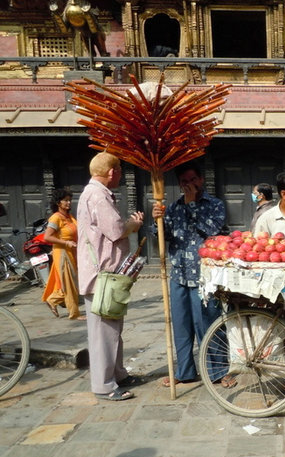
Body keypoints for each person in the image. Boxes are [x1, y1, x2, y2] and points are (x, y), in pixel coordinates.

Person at [77, 152, 144, 401]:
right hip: (101, 276)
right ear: (112, 172)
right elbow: (116, 230)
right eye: (119, 172)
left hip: (106, 274)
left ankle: (118, 374)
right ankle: (104, 385)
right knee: (103, 333)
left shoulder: (95, 193)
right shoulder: (97, 195)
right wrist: (133, 224)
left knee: (112, 328)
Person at [152, 161, 226, 387]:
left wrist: (192, 205)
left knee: (209, 325)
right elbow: (162, 237)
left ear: (201, 180)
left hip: (205, 277)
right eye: (184, 182)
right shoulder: (173, 208)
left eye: (193, 180)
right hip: (179, 276)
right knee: (182, 328)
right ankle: (184, 372)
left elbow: (211, 231)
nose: (189, 185)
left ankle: (219, 373)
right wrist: (157, 220)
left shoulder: (215, 205)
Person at [42, 187, 84, 320]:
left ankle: (53, 300)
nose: (68, 203)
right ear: (58, 202)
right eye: (65, 200)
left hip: (72, 252)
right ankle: (74, 313)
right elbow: (47, 237)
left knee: (72, 281)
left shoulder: (69, 217)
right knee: (69, 283)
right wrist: (66, 243)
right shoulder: (55, 218)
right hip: (63, 252)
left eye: (70, 200)